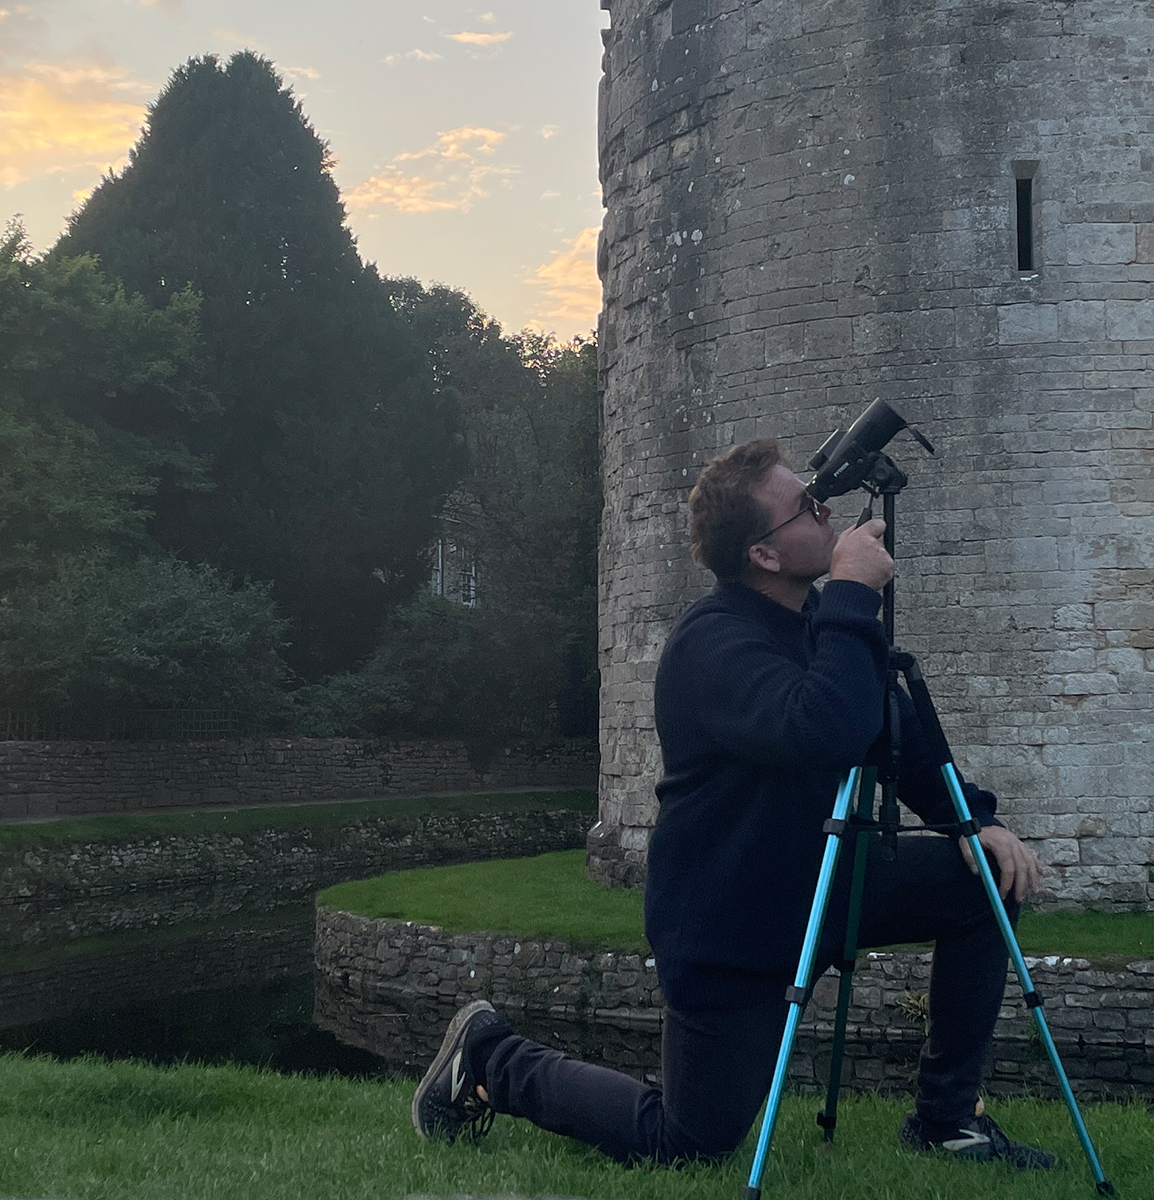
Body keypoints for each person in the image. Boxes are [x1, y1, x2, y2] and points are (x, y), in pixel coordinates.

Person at [411, 438, 1054, 1169]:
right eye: (807, 509)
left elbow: (891, 736)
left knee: (983, 885)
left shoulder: (818, 625)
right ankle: (489, 1056)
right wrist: (852, 597)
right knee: (688, 1141)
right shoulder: (712, 645)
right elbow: (818, 730)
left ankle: (946, 1121)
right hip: (731, 917)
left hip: (822, 882)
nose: (828, 512)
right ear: (764, 556)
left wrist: (972, 822)